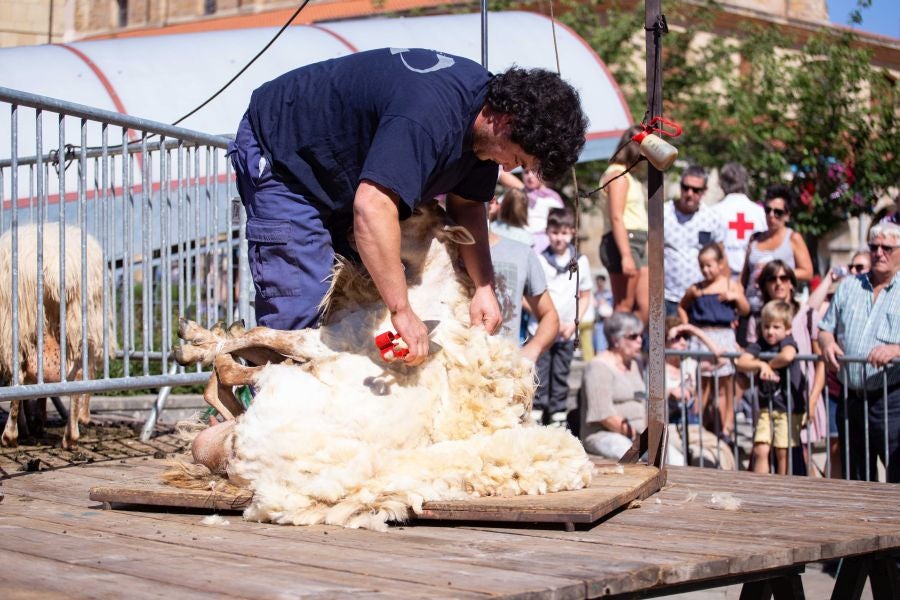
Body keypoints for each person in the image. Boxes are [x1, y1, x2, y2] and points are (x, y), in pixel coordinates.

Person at [228, 48, 587, 367]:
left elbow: (469, 206)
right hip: (287, 157)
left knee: (356, 309)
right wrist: (402, 310)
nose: (509, 169)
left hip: (344, 180)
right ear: (507, 123)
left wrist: (483, 287)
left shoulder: (484, 133)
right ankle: (268, 426)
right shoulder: (429, 116)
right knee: (303, 308)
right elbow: (372, 207)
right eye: (517, 157)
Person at [819, 222, 900, 483]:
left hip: (891, 398)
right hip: (851, 397)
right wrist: (827, 343)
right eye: (874, 247)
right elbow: (824, 327)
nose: (879, 253)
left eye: (887, 248)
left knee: (896, 472)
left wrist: (896, 349)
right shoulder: (849, 286)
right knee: (856, 477)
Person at [579, 311, 685, 464]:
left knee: (676, 460)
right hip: (605, 434)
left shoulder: (636, 363)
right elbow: (604, 416)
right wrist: (638, 438)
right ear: (616, 339)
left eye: (641, 336)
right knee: (633, 454)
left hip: (638, 434)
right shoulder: (597, 367)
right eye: (633, 337)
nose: (640, 340)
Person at [756, 260, 826, 475]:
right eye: (772, 279)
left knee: (802, 453)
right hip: (770, 397)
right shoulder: (761, 316)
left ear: (792, 283)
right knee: (770, 451)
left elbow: (820, 360)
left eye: (784, 278)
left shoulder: (806, 314)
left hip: (801, 393)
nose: (779, 283)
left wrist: (813, 398)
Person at [806, 250, 870, 478]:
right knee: (835, 445)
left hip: (868, 387)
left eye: (860, 268)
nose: (854, 271)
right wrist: (829, 280)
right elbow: (808, 310)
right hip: (837, 387)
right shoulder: (839, 296)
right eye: (852, 267)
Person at [678, 243, 749, 441]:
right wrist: (688, 327)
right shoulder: (696, 289)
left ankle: (727, 427)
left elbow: (745, 309)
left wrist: (736, 297)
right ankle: (697, 424)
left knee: (726, 384)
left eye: (709, 265)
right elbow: (682, 307)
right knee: (703, 384)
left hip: (724, 336)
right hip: (702, 337)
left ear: (720, 264)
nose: (706, 270)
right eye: (702, 266)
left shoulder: (730, 285)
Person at [532, 208, 592, 426]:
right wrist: (547, 321)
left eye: (564, 233)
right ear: (547, 232)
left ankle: (558, 414)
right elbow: (530, 294)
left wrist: (574, 322)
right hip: (542, 329)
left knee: (560, 373)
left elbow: (585, 295)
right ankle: (537, 412)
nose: (559, 238)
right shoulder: (539, 260)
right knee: (539, 373)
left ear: (573, 233)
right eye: (555, 232)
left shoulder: (581, 262)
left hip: (566, 331)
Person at [737, 300, 807, 475]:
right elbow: (742, 361)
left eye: (776, 327)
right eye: (766, 327)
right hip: (766, 407)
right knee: (760, 448)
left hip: (787, 407)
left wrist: (770, 364)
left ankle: (780, 486)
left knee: (782, 451)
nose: (770, 331)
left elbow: (788, 356)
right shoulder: (761, 344)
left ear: (787, 328)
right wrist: (761, 366)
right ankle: (761, 487)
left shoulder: (788, 341)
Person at [664, 316, 736, 470]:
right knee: (695, 457)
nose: (683, 341)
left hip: (693, 426)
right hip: (669, 427)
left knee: (720, 452)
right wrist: (670, 391)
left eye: (685, 337)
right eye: (676, 338)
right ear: (664, 342)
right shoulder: (657, 368)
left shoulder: (690, 363)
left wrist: (694, 331)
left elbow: (722, 359)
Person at [598, 125, 649, 325]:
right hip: (624, 241)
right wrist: (626, 255)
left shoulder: (627, 176)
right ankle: (617, 348)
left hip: (636, 241)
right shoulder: (618, 176)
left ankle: (631, 345)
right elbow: (617, 217)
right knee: (624, 306)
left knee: (644, 306)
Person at [741, 184, 814, 325]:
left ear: (787, 215)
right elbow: (743, 278)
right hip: (753, 308)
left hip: (779, 312)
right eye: (767, 210)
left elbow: (807, 272)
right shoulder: (755, 239)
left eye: (778, 212)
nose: (771, 216)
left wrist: (773, 270)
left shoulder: (793, 238)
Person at [664, 165, 727, 317]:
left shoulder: (712, 218)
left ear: (704, 191)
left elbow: (721, 258)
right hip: (667, 297)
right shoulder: (663, 213)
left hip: (701, 296)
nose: (689, 194)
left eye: (696, 190)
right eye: (685, 188)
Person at [488, 227, 558, 364]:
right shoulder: (440, 249)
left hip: (505, 373)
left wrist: (533, 349)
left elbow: (550, 315)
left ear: (494, 204)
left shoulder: (521, 253)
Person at [712, 162, 767, 277]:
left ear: (722, 183)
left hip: (723, 275)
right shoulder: (759, 212)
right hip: (753, 273)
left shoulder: (714, 211)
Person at [521, 168, 565, 253]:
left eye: (533, 172)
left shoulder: (552, 197)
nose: (530, 176)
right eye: (526, 172)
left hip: (546, 244)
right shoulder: (516, 196)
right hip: (522, 242)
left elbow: (561, 221)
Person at [592, 272, 613, 353]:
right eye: (598, 281)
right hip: (598, 321)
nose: (599, 283)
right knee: (598, 340)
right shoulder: (595, 294)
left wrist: (605, 303)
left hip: (607, 321)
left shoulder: (609, 294)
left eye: (601, 281)